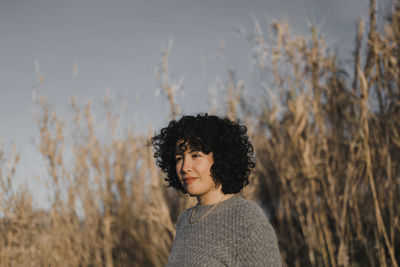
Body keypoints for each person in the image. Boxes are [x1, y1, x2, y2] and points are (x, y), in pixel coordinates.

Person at [151, 114, 281, 267]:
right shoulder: (184, 220)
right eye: (179, 158)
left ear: (221, 158)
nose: (185, 167)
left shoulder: (246, 219)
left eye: (195, 155)